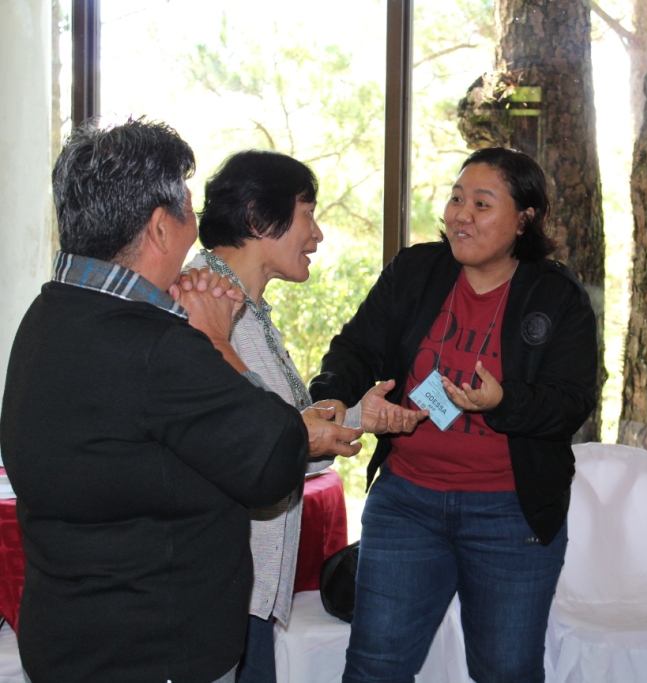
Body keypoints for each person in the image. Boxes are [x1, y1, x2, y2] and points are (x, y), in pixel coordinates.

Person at [0, 119, 357, 682]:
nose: (198, 229)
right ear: (161, 229)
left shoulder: (48, 314)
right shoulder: (157, 346)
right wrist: (215, 341)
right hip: (154, 650)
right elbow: (273, 458)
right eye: (189, 211)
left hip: (69, 637)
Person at [309, 147, 598, 683]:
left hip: (511, 513)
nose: (461, 215)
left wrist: (503, 402)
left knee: (507, 672)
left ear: (523, 220)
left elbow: (571, 402)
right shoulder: (416, 271)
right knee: (374, 667)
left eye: (482, 204)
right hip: (407, 503)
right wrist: (333, 401)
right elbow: (355, 349)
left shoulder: (556, 296)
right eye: (456, 198)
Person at [188, 150, 425, 683]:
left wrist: (358, 416)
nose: (317, 234)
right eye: (307, 214)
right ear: (257, 218)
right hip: (214, 587)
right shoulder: (200, 303)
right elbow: (235, 443)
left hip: (247, 587)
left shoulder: (245, 309)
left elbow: (279, 433)